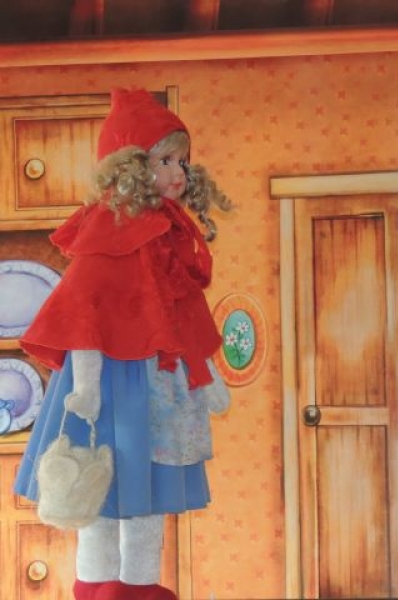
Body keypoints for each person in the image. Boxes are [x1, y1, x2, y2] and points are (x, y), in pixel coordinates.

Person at [14, 88, 232, 600]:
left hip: (159, 383)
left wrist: (206, 376)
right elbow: (84, 315)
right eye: (165, 161)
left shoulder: (168, 237)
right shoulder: (107, 235)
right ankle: (96, 584)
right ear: (129, 166)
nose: (178, 173)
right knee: (104, 488)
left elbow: (184, 314)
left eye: (182, 162)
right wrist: (87, 387)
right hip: (112, 386)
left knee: (147, 492)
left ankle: (138, 585)